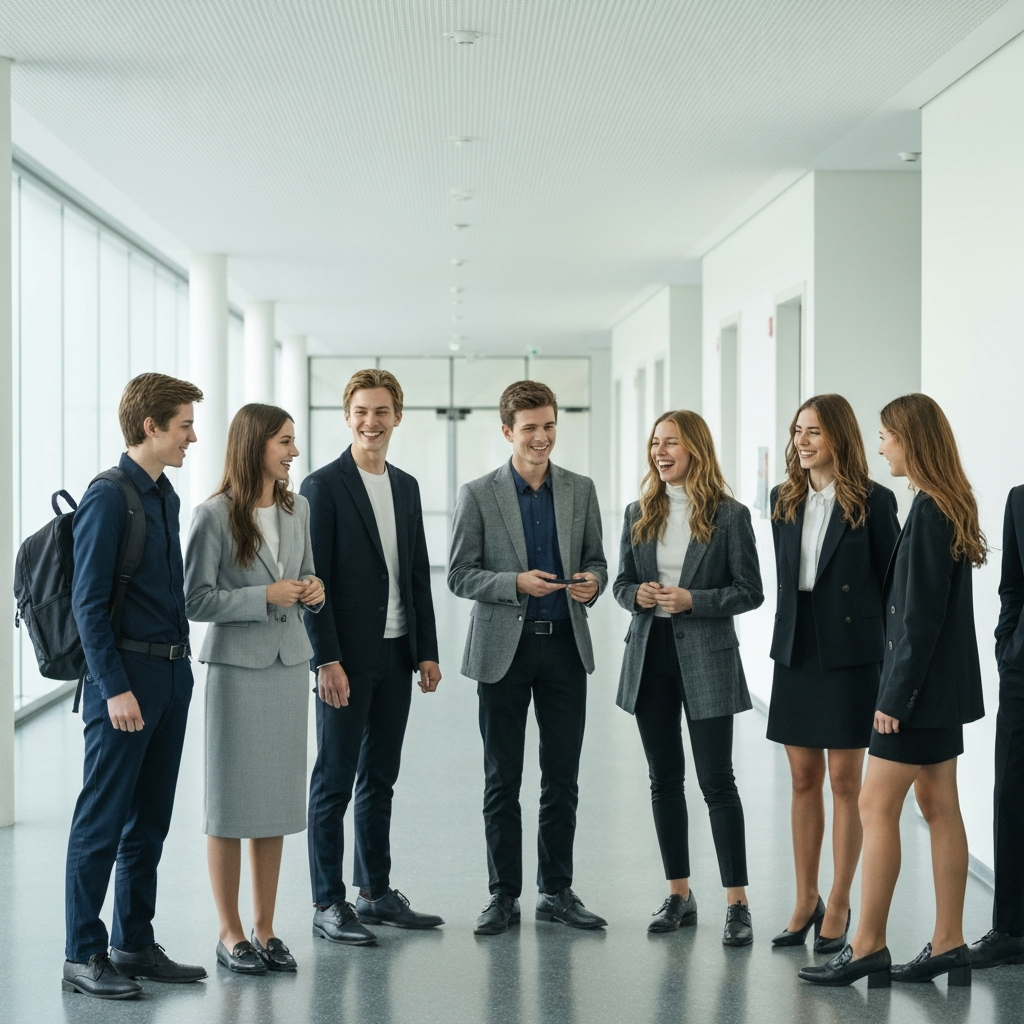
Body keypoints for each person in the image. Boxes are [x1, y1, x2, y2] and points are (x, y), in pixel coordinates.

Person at [800, 393, 986, 988]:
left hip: (916, 697)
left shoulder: (930, 512)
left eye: (886, 436)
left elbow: (918, 622)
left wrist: (892, 700)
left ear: (912, 439)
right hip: (941, 696)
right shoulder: (945, 505)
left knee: (874, 806)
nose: (880, 447)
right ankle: (949, 942)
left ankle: (868, 946)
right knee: (940, 808)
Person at [63, 373, 207, 999]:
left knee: (149, 821)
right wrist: (114, 687)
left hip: (171, 676)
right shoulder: (108, 496)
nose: (192, 437)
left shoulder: (165, 495)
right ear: (151, 427)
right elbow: (87, 605)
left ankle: (134, 943)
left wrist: (178, 678)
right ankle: (81, 953)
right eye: (183, 425)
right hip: (124, 681)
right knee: (102, 819)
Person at [448, 380, 608, 936]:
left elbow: (597, 561)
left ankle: (556, 891)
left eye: (548, 426)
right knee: (502, 779)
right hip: (504, 653)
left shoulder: (580, 490)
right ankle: (502, 895)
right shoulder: (479, 493)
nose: (541, 438)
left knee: (562, 778)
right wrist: (513, 582)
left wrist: (593, 584)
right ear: (507, 432)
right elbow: (458, 574)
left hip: (565, 646)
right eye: (529, 428)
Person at [301, 369, 442, 945]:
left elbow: (416, 574)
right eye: (361, 411)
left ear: (397, 417)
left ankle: (375, 890)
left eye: (381, 411)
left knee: (380, 776)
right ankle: (327, 901)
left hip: (396, 653)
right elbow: (314, 579)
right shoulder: (322, 485)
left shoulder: (405, 486)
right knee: (334, 778)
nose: (371, 421)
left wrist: (426, 650)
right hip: (346, 660)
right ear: (347, 416)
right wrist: (324, 659)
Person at [185, 404, 325, 974]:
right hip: (238, 672)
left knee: (274, 804)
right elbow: (195, 600)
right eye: (285, 442)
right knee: (230, 804)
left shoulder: (298, 508)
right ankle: (230, 931)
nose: (294, 452)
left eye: (293, 442)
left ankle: (265, 928)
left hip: (289, 664)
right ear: (255, 445)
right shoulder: (214, 515)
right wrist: (262, 598)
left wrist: (312, 589)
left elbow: (309, 574)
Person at [614, 409, 763, 945]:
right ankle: (679, 893)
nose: (660, 451)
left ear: (694, 448)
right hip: (650, 657)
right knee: (663, 780)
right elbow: (621, 582)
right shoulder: (638, 511)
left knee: (716, 781)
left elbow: (750, 591)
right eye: (655, 442)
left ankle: (737, 903)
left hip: (707, 659)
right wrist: (639, 595)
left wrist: (693, 600)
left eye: (670, 442)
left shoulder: (731, 515)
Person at [767, 395, 900, 953]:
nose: (802, 441)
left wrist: (891, 665)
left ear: (839, 438)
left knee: (847, 783)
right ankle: (806, 898)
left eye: (814, 432)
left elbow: (891, 586)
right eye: (798, 430)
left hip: (849, 654)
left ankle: (840, 901)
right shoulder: (782, 498)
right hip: (797, 649)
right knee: (802, 780)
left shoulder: (875, 501)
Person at [970, 485, 1024, 969]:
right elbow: (1013, 586)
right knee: (1011, 796)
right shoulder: (1021, 500)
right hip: (1023, 673)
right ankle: (1010, 929)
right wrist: (1007, 645)